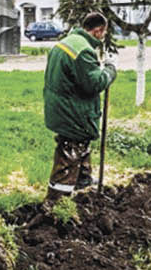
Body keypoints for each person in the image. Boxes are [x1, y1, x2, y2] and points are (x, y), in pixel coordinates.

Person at [43, 11, 118, 198]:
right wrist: (110, 69)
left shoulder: (65, 43)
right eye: (104, 33)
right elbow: (94, 84)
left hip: (60, 107)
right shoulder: (83, 51)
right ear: (99, 31)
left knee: (80, 144)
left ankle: (83, 183)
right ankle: (58, 199)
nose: (103, 38)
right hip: (72, 111)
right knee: (71, 149)